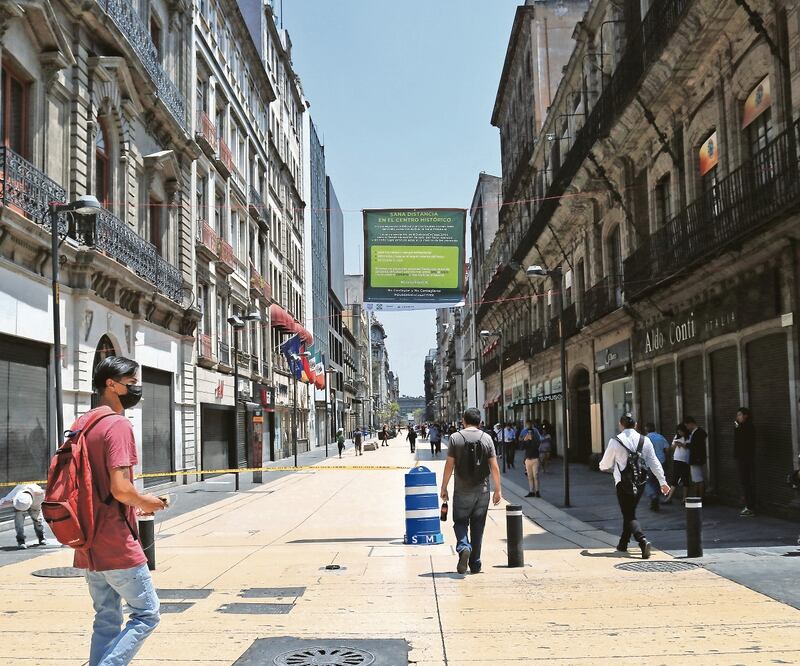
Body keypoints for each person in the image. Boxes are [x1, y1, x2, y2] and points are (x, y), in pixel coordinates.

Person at [76, 356, 167, 666]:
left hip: (88, 542)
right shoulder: (117, 425)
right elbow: (120, 488)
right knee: (147, 614)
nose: (136, 389)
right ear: (110, 385)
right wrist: (147, 503)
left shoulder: (83, 423)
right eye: (131, 384)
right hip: (116, 542)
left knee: (106, 618)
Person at [439, 408, 502, 574]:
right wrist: (497, 489)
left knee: (460, 522)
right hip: (482, 490)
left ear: (463, 421)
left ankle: (463, 546)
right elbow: (494, 467)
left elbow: (449, 465)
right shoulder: (487, 438)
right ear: (480, 422)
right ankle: (475, 563)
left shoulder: (455, 438)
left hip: (462, 490)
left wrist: (444, 487)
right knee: (478, 526)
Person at [599, 414, 669, 559]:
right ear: (636, 425)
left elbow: (604, 465)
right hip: (640, 483)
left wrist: (605, 466)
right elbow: (654, 462)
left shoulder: (615, 441)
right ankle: (623, 543)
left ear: (621, 425)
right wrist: (663, 482)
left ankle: (642, 540)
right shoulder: (645, 440)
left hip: (622, 483)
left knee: (628, 514)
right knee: (629, 511)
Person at [1, 483, 46, 549]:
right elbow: (2, 502)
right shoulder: (13, 495)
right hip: (20, 503)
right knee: (19, 523)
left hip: (35, 502)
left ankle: (41, 537)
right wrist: (8, 503)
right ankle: (21, 541)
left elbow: (47, 493)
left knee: (38, 520)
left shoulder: (39, 493)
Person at [734, 407, 756, 516]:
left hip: (745, 458)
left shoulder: (747, 427)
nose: (737, 417)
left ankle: (749, 506)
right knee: (744, 481)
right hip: (742, 457)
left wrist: (738, 428)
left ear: (745, 416)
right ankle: (748, 505)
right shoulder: (742, 427)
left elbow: (742, 442)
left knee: (746, 481)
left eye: (739, 415)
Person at [643, 423, 670, 512]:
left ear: (646, 429)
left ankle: (653, 496)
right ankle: (656, 500)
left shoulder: (644, 439)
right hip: (661, 463)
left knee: (649, 482)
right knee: (659, 482)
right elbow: (667, 449)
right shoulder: (660, 437)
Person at [685, 416, 708, 498]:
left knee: (698, 479)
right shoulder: (698, 432)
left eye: (687, 426)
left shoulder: (698, 432)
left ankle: (700, 498)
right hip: (697, 458)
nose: (687, 428)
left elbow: (695, 445)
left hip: (696, 458)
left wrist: (686, 444)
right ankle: (699, 496)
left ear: (691, 424)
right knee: (697, 478)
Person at [522, 421, 542, 498]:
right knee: (529, 476)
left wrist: (532, 439)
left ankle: (537, 491)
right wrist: (525, 440)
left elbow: (537, 444)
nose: (529, 434)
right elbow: (522, 447)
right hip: (528, 458)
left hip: (535, 458)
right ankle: (531, 491)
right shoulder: (525, 434)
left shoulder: (536, 433)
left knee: (535, 475)